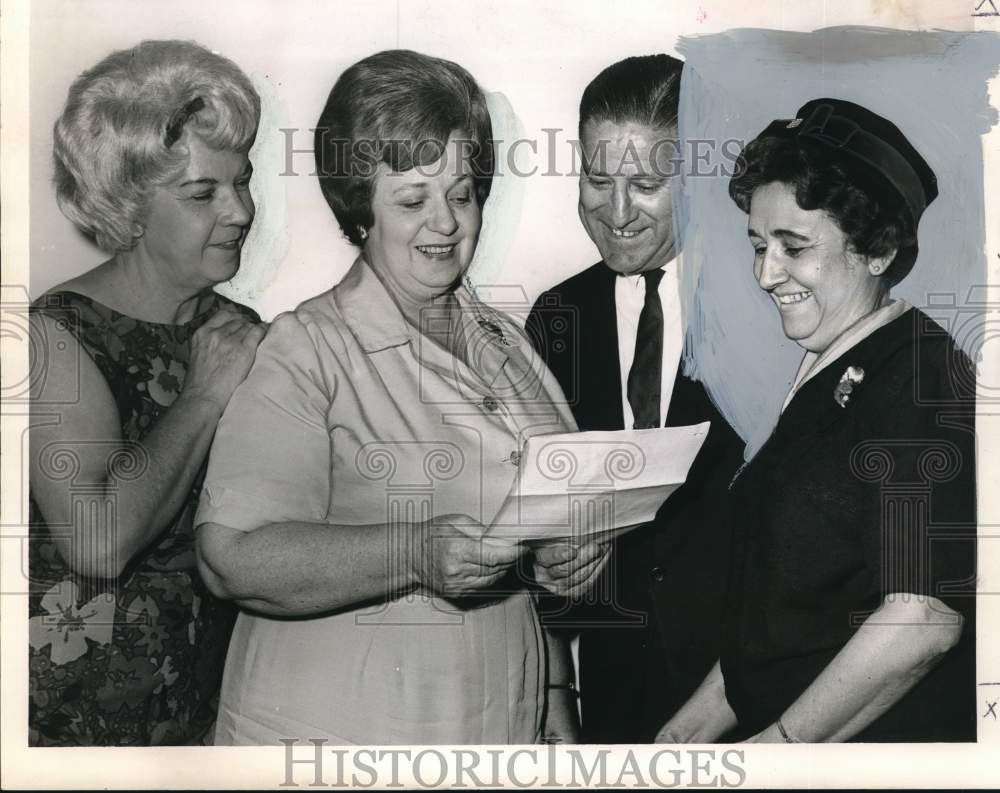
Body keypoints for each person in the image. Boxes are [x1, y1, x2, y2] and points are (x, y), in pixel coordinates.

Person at [194, 49, 607, 746]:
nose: (445, 223)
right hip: (340, 739)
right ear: (360, 210)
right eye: (413, 199)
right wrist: (412, 552)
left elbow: (542, 523)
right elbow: (230, 555)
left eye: (463, 192)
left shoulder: (505, 342)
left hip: (494, 728)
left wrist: (569, 560)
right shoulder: (307, 349)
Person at [658, 98, 976, 743]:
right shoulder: (836, 372)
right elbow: (788, 616)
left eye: (793, 247)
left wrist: (780, 749)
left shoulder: (918, 377)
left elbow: (923, 617)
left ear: (878, 249)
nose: (765, 273)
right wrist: (684, 736)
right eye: (758, 245)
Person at [28, 40, 265, 746]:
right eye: (203, 193)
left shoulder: (236, 328)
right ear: (128, 206)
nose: (241, 210)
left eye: (242, 181)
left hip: (207, 718)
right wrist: (204, 395)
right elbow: (96, 541)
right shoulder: (54, 333)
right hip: (79, 723)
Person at [525, 54, 745, 743]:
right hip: (613, 708)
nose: (616, 212)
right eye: (597, 178)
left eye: (647, 184)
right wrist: (542, 565)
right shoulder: (557, 316)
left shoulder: (770, 306)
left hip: (752, 703)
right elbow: (538, 514)